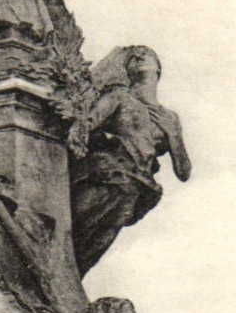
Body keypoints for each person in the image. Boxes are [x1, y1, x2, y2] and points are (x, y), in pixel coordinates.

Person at [70, 46, 191, 276]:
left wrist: (174, 136)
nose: (139, 55)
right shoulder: (119, 96)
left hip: (135, 190)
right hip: (105, 177)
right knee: (76, 229)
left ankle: (71, 288)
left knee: (97, 244)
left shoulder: (170, 118)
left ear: (158, 68)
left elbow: (184, 172)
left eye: (146, 54)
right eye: (133, 56)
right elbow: (86, 122)